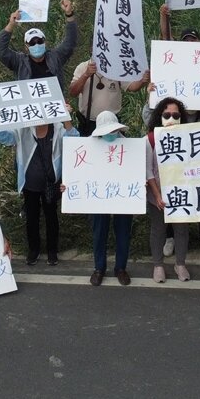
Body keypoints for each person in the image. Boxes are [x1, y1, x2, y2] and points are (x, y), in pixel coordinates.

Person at [157, 4, 200, 259]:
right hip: (178, 129)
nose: (189, 44)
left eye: (193, 40)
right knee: (174, 183)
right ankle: (171, 236)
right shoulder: (174, 62)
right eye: (185, 41)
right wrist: (164, 16)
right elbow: (166, 40)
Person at [0, 110, 77, 266]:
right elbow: (4, 137)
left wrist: (66, 118)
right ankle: (34, 250)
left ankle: (52, 251)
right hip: (29, 183)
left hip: (51, 182)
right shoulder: (23, 128)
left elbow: (74, 140)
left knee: (51, 217)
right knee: (32, 217)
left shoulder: (57, 127)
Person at [83, 110, 134, 286]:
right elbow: (80, 173)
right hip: (98, 197)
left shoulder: (129, 146)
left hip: (123, 197)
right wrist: (70, 186)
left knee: (123, 233)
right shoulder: (89, 147)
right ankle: (99, 268)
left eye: (112, 131)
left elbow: (136, 171)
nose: (110, 135)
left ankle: (121, 268)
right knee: (98, 233)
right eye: (106, 132)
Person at [145, 96, 191, 283]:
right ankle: (158, 265)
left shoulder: (189, 137)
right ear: (159, 116)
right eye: (166, 114)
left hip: (182, 194)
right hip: (157, 195)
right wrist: (157, 195)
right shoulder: (150, 139)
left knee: (182, 230)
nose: (171, 118)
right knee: (158, 230)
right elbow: (148, 171)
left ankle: (180, 264)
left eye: (175, 115)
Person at [0, 0, 78, 97]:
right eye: (32, 43)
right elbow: (1, 51)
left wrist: (69, 14)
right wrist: (11, 24)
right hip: (31, 107)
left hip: (53, 106)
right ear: (26, 47)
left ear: (45, 42)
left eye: (39, 41)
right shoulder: (20, 62)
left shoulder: (55, 57)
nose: (36, 45)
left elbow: (70, 41)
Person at [69, 58, 148, 136]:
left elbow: (132, 87)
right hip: (88, 122)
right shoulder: (83, 67)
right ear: (92, 49)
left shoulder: (117, 67)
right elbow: (73, 92)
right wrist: (86, 75)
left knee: (113, 148)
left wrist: (142, 81)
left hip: (112, 123)